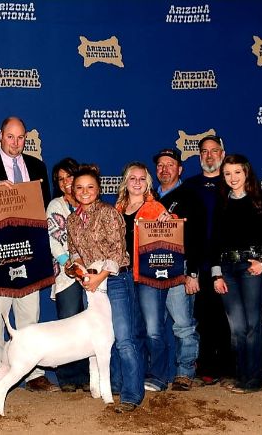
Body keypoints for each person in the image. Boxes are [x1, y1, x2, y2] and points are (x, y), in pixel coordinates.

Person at [0, 116, 57, 391]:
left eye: (21, 138)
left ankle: (32, 372)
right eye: (10, 137)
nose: (16, 143)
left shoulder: (37, 166)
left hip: (29, 253)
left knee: (30, 315)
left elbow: (43, 213)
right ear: (0, 136)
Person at [66, 164, 140, 413]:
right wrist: (78, 271)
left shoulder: (109, 213)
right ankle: (115, 386)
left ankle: (131, 395)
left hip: (115, 279)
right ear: (72, 190)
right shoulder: (72, 220)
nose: (84, 192)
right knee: (102, 340)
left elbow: (118, 252)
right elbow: (74, 252)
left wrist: (99, 278)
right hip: (92, 283)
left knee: (124, 338)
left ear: (99, 189)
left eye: (90, 187)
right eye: (79, 187)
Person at [211, 154, 262, 394]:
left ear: (246, 172)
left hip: (253, 267)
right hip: (227, 269)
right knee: (237, 328)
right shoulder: (222, 203)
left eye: (237, 172)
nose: (232, 178)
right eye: (227, 173)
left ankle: (253, 381)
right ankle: (241, 377)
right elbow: (216, 241)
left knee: (252, 325)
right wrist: (216, 274)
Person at [182, 135, 234, 385]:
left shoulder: (232, 184)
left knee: (229, 318)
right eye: (204, 151)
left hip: (230, 263)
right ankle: (207, 368)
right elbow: (179, 227)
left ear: (222, 154)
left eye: (214, 151)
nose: (209, 156)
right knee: (203, 318)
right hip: (200, 263)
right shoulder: (189, 186)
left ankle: (230, 369)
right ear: (199, 155)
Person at [152, 148, 205, 391]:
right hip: (151, 270)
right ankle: (157, 373)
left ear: (180, 169)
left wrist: (192, 272)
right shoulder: (149, 197)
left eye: (170, 164)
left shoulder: (191, 196)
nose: (164, 169)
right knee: (154, 327)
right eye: (160, 165)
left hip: (179, 269)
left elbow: (197, 237)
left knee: (183, 324)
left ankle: (185, 372)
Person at [113, 162, 169, 393]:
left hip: (149, 275)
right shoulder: (116, 209)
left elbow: (171, 233)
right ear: (125, 182)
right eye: (132, 178)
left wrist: (168, 220)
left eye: (141, 179)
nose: (137, 182)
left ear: (148, 183)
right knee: (131, 330)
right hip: (124, 276)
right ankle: (133, 376)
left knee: (154, 328)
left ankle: (158, 375)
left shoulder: (156, 208)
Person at [46, 157, 89, 392]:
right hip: (67, 274)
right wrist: (70, 264)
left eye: (69, 177)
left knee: (89, 325)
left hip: (93, 274)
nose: (65, 183)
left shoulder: (91, 202)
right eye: (60, 179)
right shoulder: (55, 206)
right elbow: (53, 239)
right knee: (68, 323)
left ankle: (87, 374)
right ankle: (69, 377)